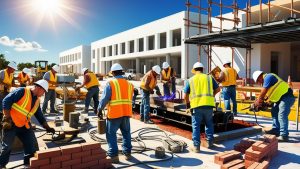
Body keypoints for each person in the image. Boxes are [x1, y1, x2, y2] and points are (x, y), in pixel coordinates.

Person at [0, 80, 55, 168]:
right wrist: (7, 118)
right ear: (38, 88)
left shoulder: (37, 99)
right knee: (6, 147)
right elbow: (6, 101)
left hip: (24, 125)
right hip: (11, 123)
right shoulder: (22, 91)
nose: (44, 93)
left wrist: (47, 127)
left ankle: (28, 163)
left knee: (32, 145)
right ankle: (1, 165)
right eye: (43, 91)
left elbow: (39, 114)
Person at [97, 63, 134, 164]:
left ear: (113, 73)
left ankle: (113, 156)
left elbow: (104, 99)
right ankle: (128, 154)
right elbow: (130, 99)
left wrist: (99, 109)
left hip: (115, 114)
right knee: (126, 133)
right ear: (121, 72)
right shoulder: (129, 84)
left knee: (111, 134)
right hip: (126, 113)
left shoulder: (111, 83)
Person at [183, 62, 220, 152]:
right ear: (202, 69)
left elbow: (185, 96)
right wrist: (211, 96)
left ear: (194, 70)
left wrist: (188, 106)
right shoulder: (209, 77)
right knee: (209, 124)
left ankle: (196, 147)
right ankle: (210, 143)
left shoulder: (190, 80)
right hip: (209, 105)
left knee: (196, 126)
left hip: (196, 106)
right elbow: (218, 89)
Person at [252, 71, 295, 142]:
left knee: (282, 115)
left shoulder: (268, 77)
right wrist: (265, 103)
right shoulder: (266, 82)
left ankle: (284, 135)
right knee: (274, 111)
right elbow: (271, 95)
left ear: (259, 77)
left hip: (287, 96)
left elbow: (263, 91)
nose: (258, 83)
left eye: (257, 81)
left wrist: (258, 101)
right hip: (280, 99)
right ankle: (276, 130)